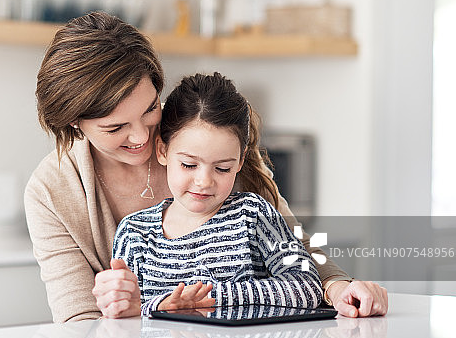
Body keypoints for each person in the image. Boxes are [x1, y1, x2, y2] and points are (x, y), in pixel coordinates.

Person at [24, 11, 388, 322]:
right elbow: (80, 321)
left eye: (150, 109)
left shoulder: (206, 144)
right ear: (74, 123)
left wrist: (338, 285)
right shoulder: (52, 191)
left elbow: (296, 244)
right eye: (114, 127)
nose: (141, 137)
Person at [112, 72, 322, 317]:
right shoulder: (134, 234)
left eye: (222, 168)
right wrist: (159, 308)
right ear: (162, 151)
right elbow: (123, 318)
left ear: (240, 161)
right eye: (189, 165)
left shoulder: (252, 215)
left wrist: (214, 297)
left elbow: (307, 287)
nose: (204, 182)